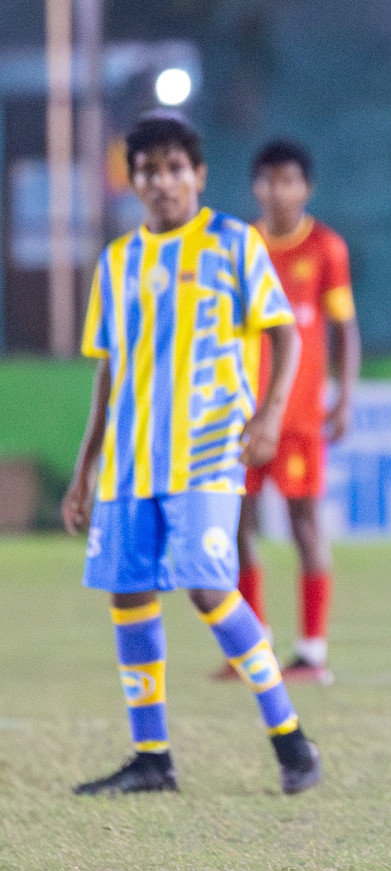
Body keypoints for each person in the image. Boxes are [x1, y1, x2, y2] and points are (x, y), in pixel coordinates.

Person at [62, 114, 322, 796]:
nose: (162, 182)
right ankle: (153, 758)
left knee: (208, 585)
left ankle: (290, 738)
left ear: (198, 176)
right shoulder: (117, 262)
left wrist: (267, 415)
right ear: (134, 181)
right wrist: (85, 466)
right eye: (148, 170)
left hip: (206, 449)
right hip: (127, 458)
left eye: (175, 168)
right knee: (129, 592)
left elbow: (285, 337)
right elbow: (108, 370)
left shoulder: (233, 243)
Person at [218, 139, 360, 685]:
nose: (279, 191)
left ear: (307, 188)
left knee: (304, 525)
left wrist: (343, 397)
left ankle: (312, 652)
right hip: (243, 416)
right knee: (238, 525)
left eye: (290, 181)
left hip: (299, 418)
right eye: (270, 180)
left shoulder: (326, 248)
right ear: (256, 187)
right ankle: (253, 648)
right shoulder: (241, 247)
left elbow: (345, 329)